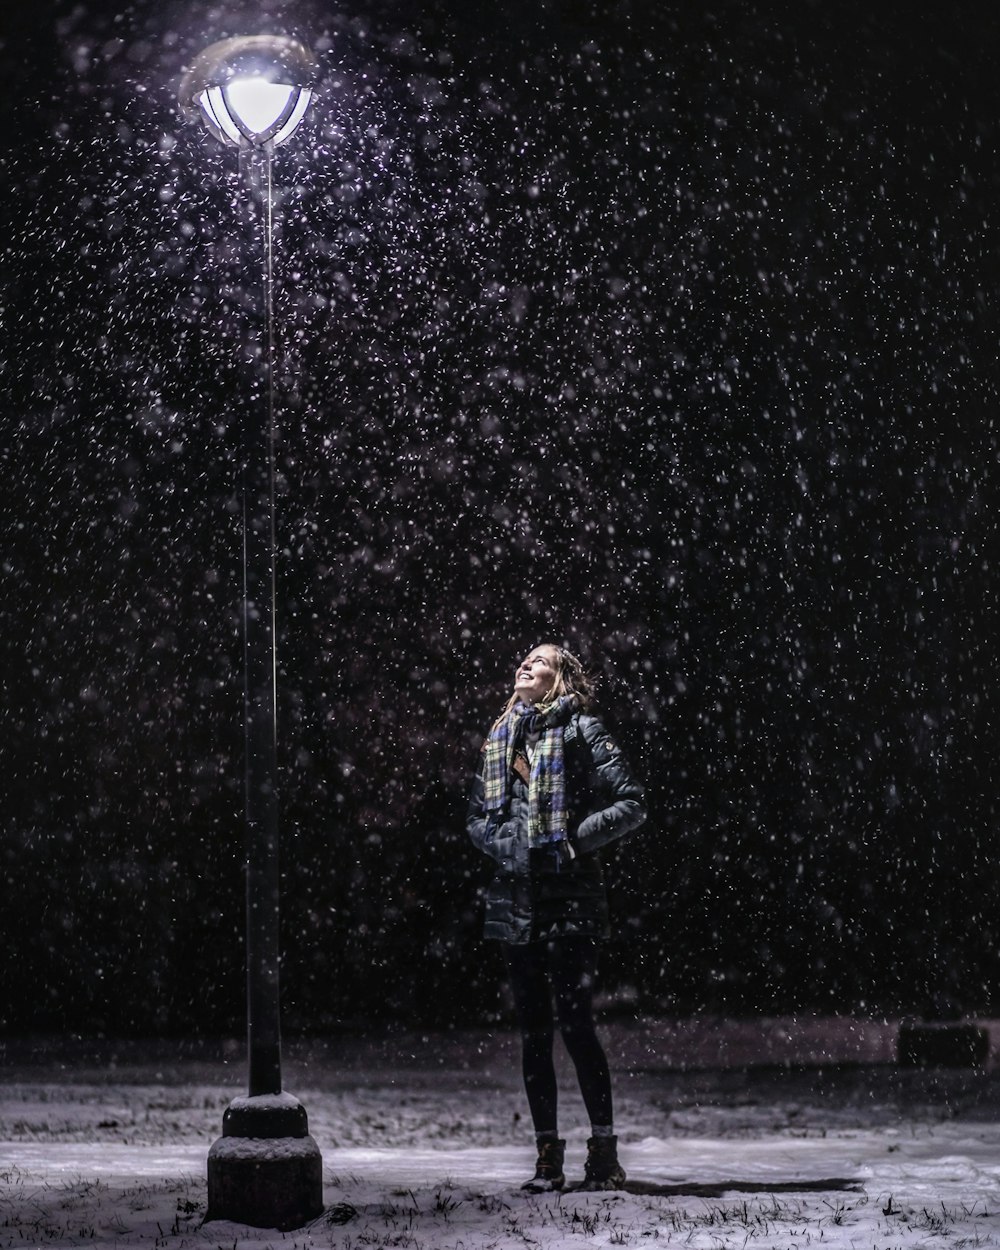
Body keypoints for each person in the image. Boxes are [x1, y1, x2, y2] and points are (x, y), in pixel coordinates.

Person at [466, 643, 646, 1193]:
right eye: (521, 657)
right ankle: (547, 1158)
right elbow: (477, 817)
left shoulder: (582, 729)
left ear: (560, 676)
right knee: (533, 1034)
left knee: (576, 1024)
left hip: (570, 903)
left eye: (539, 659)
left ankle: (603, 1154)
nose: (525, 663)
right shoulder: (502, 737)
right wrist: (511, 845)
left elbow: (631, 803)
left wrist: (569, 842)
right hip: (517, 901)